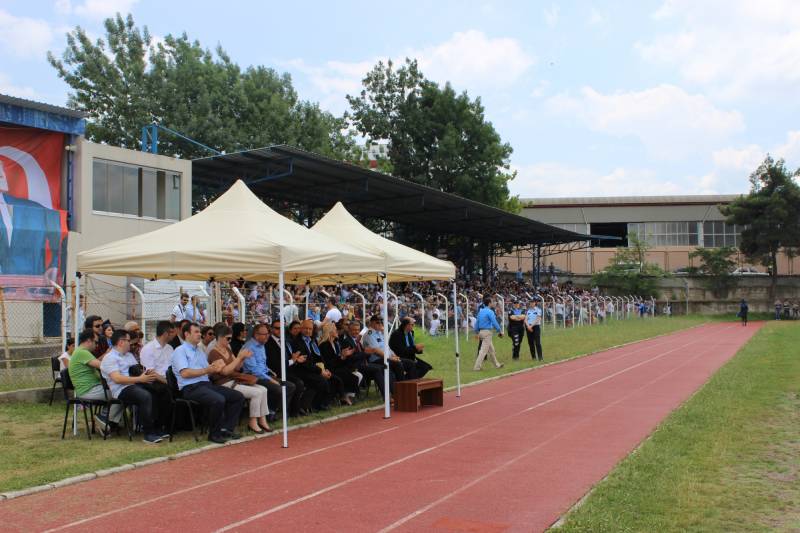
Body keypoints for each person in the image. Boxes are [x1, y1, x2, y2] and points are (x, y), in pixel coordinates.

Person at [171, 322, 245, 444]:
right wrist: (207, 370)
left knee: (237, 396)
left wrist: (216, 368)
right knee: (218, 399)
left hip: (205, 384)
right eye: (196, 332)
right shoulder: (180, 351)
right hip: (190, 388)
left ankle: (226, 429)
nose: (199, 334)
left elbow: (207, 372)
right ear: (187, 334)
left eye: (199, 332)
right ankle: (214, 434)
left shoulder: (199, 351)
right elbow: (185, 373)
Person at [101, 330, 171, 444]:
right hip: (121, 389)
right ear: (121, 342)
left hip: (136, 383)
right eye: (128, 341)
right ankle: (148, 433)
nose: (131, 343)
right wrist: (140, 379)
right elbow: (117, 379)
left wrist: (145, 373)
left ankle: (158, 427)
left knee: (162, 390)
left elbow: (136, 371)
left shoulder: (129, 355)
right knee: (145, 396)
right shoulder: (110, 358)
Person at [207, 323, 272, 433]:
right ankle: (253, 421)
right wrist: (239, 358)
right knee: (257, 393)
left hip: (234, 380)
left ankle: (262, 419)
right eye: (228, 338)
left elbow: (237, 367)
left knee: (263, 389)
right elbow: (224, 371)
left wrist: (242, 358)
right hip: (223, 383)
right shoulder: (213, 352)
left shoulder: (227, 349)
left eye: (230, 338)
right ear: (220, 337)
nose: (230, 341)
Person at [69, 331, 122, 435]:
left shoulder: (81, 352)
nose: (97, 345)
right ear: (89, 341)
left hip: (90, 389)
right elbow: (103, 366)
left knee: (123, 392)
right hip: (89, 390)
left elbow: (99, 363)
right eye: (96, 342)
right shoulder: (82, 352)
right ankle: (104, 418)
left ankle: (106, 421)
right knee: (123, 393)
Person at [243, 323, 301, 417]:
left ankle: (275, 411)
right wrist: (270, 379)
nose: (267, 336)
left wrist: (270, 371)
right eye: (265, 334)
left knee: (290, 386)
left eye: (268, 333)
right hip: (253, 377)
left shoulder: (261, 345)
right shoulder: (249, 347)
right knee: (278, 388)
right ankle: (270, 413)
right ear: (256, 335)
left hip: (265, 375)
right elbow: (254, 370)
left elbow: (263, 364)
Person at [294, 319, 340, 410]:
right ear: (301, 329)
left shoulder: (312, 341)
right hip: (302, 370)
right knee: (322, 381)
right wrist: (320, 371)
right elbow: (305, 363)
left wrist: (324, 369)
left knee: (334, 379)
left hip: (313, 369)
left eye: (310, 329)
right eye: (305, 328)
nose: (308, 331)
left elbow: (319, 357)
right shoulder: (297, 342)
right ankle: (316, 405)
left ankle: (324, 403)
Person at [265, 319, 304, 417]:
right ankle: (284, 411)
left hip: (287, 370)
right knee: (296, 384)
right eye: (277, 328)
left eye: (281, 328)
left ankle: (294, 410)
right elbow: (275, 363)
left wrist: (296, 359)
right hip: (276, 373)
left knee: (300, 381)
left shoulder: (284, 341)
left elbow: (289, 357)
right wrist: (293, 360)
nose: (279, 330)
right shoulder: (268, 343)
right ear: (271, 329)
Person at [318, 321, 358, 405]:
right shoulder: (324, 345)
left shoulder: (336, 343)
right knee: (347, 376)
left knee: (353, 376)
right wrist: (342, 356)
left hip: (337, 367)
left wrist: (343, 356)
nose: (337, 331)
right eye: (335, 330)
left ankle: (347, 396)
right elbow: (329, 361)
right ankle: (343, 397)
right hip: (329, 368)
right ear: (330, 332)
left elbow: (339, 359)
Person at [362, 315, 410, 382]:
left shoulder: (379, 333)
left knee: (410, 363)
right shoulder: (369, 334)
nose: (380, 324)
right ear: (371, 323)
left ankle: (410, 384)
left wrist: (394, 356)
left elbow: (387, 348)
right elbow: (377, 351)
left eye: (381, 322)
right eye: (378, 322)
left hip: (387, 357)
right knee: (398, 364)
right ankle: (401, 385)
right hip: (377, 359)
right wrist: (390, 358)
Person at [473, 297, 504, 371]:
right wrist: (500, 331)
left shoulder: (481, 311)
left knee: (491, 350)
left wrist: (477, 332)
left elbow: (477, 323)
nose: (493, 303)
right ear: (489, 303)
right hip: (487, 333)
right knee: (483, 351)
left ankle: (497, 365)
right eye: (492, 301)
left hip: (481, 332)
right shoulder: (490, 312)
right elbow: (494, 322)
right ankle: (477, 367)